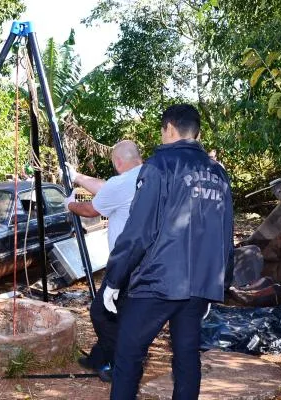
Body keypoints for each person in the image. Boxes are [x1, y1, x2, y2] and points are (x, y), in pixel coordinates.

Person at [103, 104, 233, 399]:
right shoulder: (219, 174)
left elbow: (138, 231)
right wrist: (219, 282)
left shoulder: (160, 166)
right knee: (187, 356)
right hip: (199, 284)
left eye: (162, 131)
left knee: (128, 353)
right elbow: (225, 233)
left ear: (170, 128)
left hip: (158, 282)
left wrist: (114, 278)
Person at [61, 140, 143, 381]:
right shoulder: (147, 175)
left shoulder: (122, 182)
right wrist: (77, 177)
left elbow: (90, 210)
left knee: (101, 312)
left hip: (126, 262)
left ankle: (121, 364)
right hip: (145, 261)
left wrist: (69, 204)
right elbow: (107, 187)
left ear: (118, 162)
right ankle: (100, 356)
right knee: (117, 310)